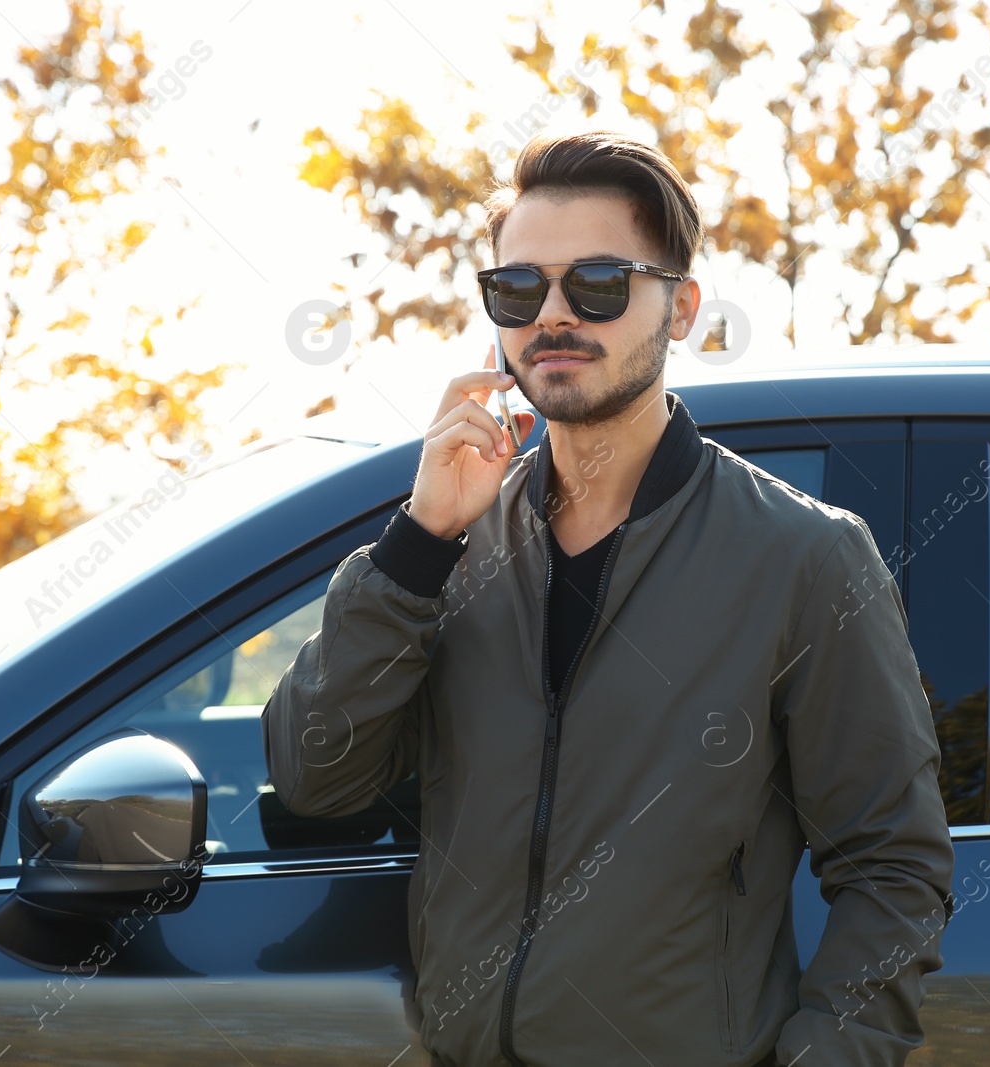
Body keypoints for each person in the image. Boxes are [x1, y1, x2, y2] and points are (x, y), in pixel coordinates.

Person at [263, 130, 955, 1066]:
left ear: (681, 310)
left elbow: (894, 870)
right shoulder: (443, 548)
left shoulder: (805, 558)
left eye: (596, 284)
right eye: (518, 289)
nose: (552, 316)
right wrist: (418, 546)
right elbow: (317, 778)